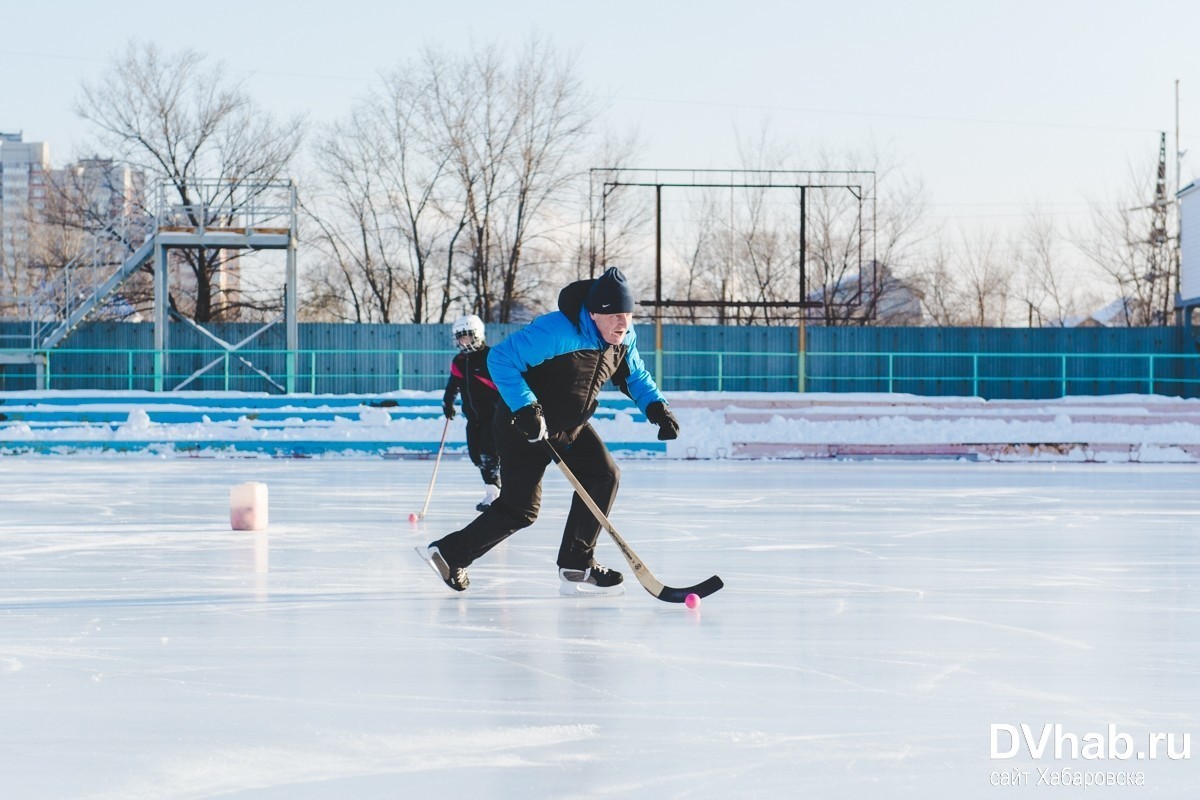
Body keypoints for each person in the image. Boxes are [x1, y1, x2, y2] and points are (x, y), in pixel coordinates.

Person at [425, 267, 680, 596]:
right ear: (594, 313)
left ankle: (577, 562)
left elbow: (635, 376)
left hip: (570, 426)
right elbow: (500, 359)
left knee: (605, 475)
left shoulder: (622, 339)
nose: (624, 323)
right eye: (616, 315)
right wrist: (527, 409)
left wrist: (656, 407)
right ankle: (449, 554)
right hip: (523, 426)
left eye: (628, 314)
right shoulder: (556, 330)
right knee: (519, 510)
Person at [442, 314, 502, 511]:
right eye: (460, 338)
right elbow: (453, 384)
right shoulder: (459, 361)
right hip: (473, 418)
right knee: (476, 456)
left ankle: (495, 494)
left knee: (489, 455)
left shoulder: (491, 356)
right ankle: (492, 490)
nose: (463, 341)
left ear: (477, 335)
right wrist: (448, 403)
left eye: (467, 336)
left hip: (493, 417)